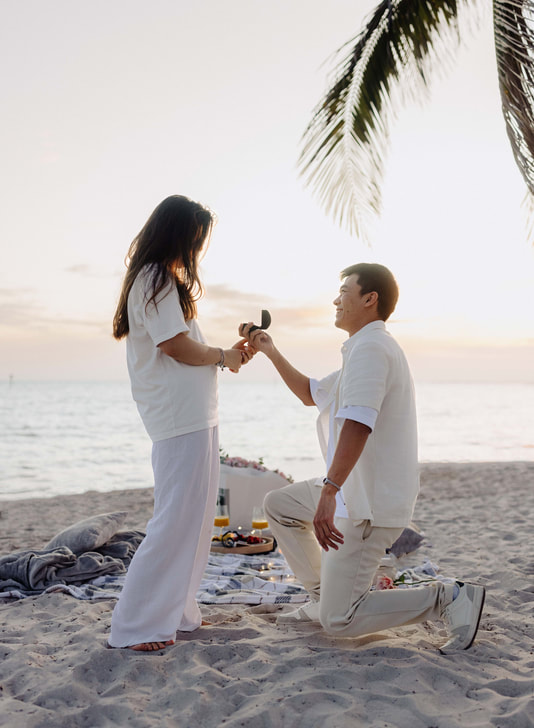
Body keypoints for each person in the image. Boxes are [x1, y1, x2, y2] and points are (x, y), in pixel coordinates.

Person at [243, 263, 485, 654]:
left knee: (341, 621)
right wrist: (269, 350)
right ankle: (324, 596)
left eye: (344, 291)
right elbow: (311, 393)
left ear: (369, 299)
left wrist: (329, 490)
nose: (336, 299)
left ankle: (448, 598)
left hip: (367, 505)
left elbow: (358, 424)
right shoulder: (363, 348)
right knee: (280, 505)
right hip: (354, 491)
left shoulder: (372, 349)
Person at [109, 195, 253, 651]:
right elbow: (174, 347)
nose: (196, 249)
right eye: (195, 239)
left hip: (196, 415)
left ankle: (180, 613)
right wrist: (224, 358)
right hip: (178, 418)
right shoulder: (154, 278)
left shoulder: (163, 280)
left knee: (193, 521)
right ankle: (134, 627)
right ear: (178, 234)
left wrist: (227, 355)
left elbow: (186, 346)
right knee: (173, 522)